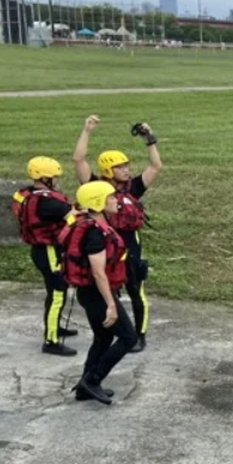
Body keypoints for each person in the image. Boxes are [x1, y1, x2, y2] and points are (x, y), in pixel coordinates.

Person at [74, 115, 162, 353]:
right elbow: (79, 160)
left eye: (126, 166)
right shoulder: (95, 187)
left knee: (136, 292)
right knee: (107, 291)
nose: (126, 170)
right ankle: (112, 331)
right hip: (106, 249)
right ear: (107, 170)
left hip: (130, 248)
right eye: (120, 167)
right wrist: (87, 131)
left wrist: (149, 138)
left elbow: (156, 166)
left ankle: (139, 335)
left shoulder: (133, 188)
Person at [59, 181, 139, 405]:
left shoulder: (94, 225)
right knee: (128, 337)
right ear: (97, 203)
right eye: (110, 197)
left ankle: (84, 387)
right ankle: (92, 380)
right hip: (96, 294)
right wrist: (111, 305)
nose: (115, 200)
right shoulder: (94, 233)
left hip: (90, 294)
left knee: (103, 337)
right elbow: (98, 273)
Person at [11, 157, 79, 356]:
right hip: (50, 252)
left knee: (53, 292)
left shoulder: (27, 194)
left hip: (40, 251)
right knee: (58, 294)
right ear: (45, 178)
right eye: (54, 177)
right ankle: (51, 341)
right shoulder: (49, 203)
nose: (57, 180)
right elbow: (74, 218)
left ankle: (54, 326)